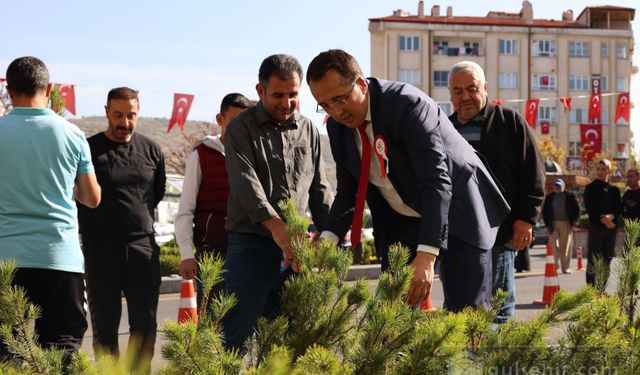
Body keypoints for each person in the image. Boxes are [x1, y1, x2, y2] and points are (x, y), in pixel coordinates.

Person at [307, 49, 509, 313]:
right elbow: (349, 190)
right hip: (401, 221)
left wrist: (426, 255)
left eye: (340, 99)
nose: (336, 112)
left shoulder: (407, 105)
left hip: (459, 210)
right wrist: (328, 240)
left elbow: (436, 181)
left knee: (467, 317)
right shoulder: (337, 127)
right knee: (394, 316)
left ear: (360, 84)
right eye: (325, 105)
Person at [222, 54, 334, 350]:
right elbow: (247, 186)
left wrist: (330, 238)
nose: (287, 103)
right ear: (260, 92)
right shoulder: (240, 129)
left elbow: (320, 188)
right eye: (278, 95)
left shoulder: (309, 129)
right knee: (237, 336)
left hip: (296, 250)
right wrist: (275, 226)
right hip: (251, 245)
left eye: (293, 95)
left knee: (289, 339)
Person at [0, 56, 101, 368]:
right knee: (62, 351)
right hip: (59, 257)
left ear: (9, 91)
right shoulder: (72, 135)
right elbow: (91, 197)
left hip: (6, 258)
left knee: (6, 352)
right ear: (49, 89)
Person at [448, 61, 545, 323]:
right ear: (450, 94)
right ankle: (465, 363)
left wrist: (526, 218)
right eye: (458, 91)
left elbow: (533, 173)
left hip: (499, 233)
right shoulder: (444, 130)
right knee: (458, 308)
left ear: (485, 88)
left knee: (498, 308)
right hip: (455, 236)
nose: (465, 96)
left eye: (472, 88)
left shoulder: (509, 122)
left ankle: (494, 362)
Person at [77, 87, 166, 372]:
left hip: (143, 245)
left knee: (145, 324)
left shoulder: (152, 149)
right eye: (118, 115)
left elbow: (158, 192)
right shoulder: (89, 149)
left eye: (131, 116)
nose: (124, 122)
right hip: (100, 248)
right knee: (105, 326)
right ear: (106, 112)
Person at [174, 93, 254, 305]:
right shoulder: (201, 155)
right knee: (212, 320)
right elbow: (185, 209)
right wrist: (186, 253)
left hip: (249, 249)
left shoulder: (254, 155)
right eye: (234, 121)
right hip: (213, 251)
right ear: (220, 119)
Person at [583, 159, 622, 286]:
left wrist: (612, 217)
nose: (600, 172)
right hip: (596, 228)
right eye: (598, 169)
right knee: (594, 259)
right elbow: (590, 209)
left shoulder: (614, 190)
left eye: (603, 169)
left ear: (608, 171)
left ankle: (601, 288)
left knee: (607, 258)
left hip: (611, 229)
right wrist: (605, 221)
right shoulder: (590, 188)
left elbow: (619, 208)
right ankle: (591, 288)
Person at [542, 179, 581, 273]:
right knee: (552, 245)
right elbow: (545, 211)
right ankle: (554, 265)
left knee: (566, 245)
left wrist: (575, 221)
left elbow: (577, 209)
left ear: (563, 186)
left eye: (559, 185)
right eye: (556, 185)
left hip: (566, 223)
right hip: (553, 223)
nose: (557, 187)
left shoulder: (570, 196)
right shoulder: (549, 197)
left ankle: (565, 267)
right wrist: (547, 225)